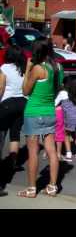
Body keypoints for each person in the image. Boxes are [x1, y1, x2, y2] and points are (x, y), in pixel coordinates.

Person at [17, 38, 62, 198]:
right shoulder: (57, 68)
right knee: (51, 150)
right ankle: (52, 186)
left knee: (33, 152)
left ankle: (31, 189)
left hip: (34, 112)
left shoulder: (37, 68)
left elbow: (25, 91)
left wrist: (28, 69)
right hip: (49, 111)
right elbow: (57, 90)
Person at [0, 45, 27, 195]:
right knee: (15, 134)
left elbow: (1, 87)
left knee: (1, 135)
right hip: (22, 103)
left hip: (7, 104)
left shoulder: (5, 68)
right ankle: (13, 162)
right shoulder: (22, 69)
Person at [59, 79, 76, 162]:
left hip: (70, 118)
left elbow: (55, 103)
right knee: (74, 135)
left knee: (66, 135)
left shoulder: (62, 93)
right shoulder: (74, 94)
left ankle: (68, 154)